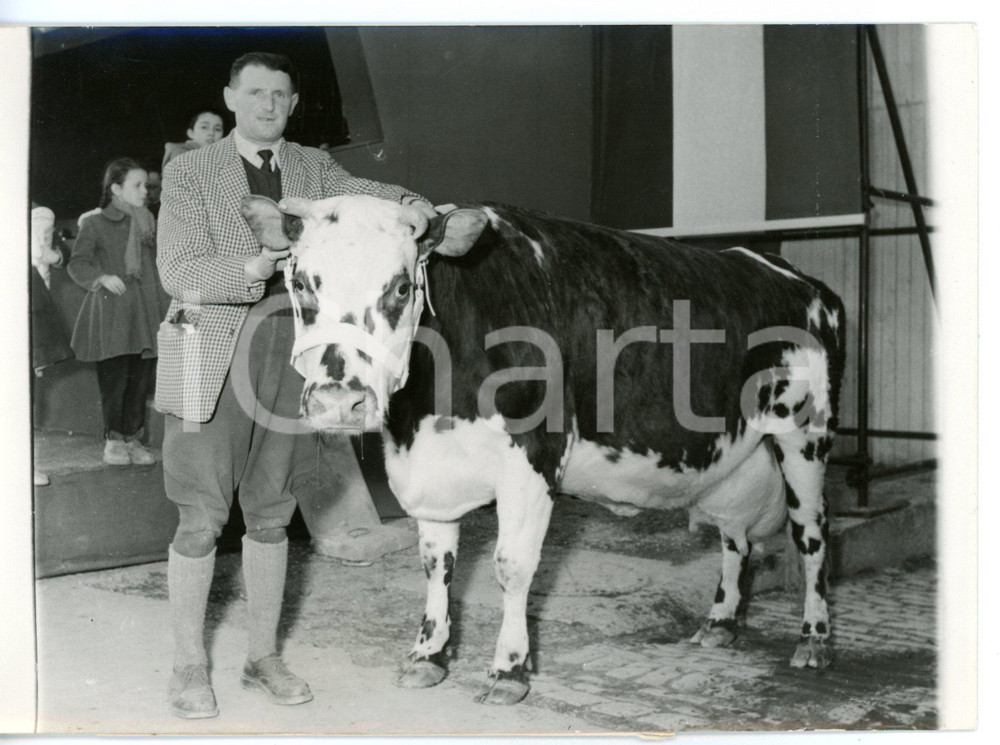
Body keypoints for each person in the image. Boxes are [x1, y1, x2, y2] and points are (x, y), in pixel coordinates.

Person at [156, 51, 434, 720]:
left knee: (274, 511)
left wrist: (413, 203)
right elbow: (177, 272)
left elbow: (369, 190)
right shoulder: (189, 171)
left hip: (292, 355)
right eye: (255, 92)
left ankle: (261, 656)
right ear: (230, 97)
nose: (268, 104)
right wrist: (253, 265)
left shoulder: (311, 166)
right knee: (200, 516)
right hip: (210, 349)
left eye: (280, 93)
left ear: (292, 101)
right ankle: (189, 665)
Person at [67, 158, 162, 467]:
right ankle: (113, 440)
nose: (145, 191)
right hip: (113, 316)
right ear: (116, 189)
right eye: (137, 185)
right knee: (115, 380)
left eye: (146, 185)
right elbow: (77, 262)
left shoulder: (149, 222)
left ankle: (133, 439)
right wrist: (102, 278)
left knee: (139, 379)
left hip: (144, 313)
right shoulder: (94, 223)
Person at [31, 205, 75, 486]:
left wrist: (55, 254)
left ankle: (25, 461)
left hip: (36, 333)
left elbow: (62, 253)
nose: (49, 236)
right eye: (44, 232)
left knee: (34, 400)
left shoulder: (45, 254)